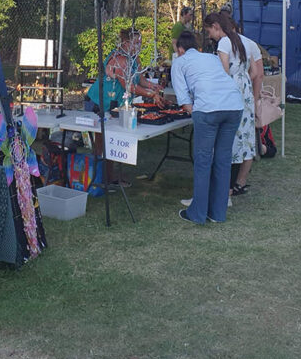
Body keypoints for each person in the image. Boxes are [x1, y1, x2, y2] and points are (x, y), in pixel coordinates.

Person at [171, 31, 243, 224]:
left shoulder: (179, 62)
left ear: (180, 49)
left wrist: (193, 110)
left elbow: (184, 99)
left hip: (209, 110)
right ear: (196, 46)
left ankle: (198, 214)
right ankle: (218, 213)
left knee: (203, 161)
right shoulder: (211, 58)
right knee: (222, 160)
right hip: (235, 106)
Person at [85, 28, 163, 186]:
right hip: (99, 103)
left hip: (114, 104)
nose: (139, 46)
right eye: (136, 43)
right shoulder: (120, 59)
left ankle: (110, 178)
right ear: (126, 43)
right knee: (102, 143)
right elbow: (129, 87)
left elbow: (140, 81)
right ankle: (100, 180)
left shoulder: (135, 58)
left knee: (113, 139)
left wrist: (154, 87)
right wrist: (150, 95)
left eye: (140, 43)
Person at [203, 12, 263, 195]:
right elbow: (255, 72)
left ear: (215, 26)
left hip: (231, 92)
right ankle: (240, 182)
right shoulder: (244, 41)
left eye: (208, 30)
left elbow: (223, 72)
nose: (208, 35)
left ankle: (224, 185)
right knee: (246, 137)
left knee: (227, 138)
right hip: (244, 90)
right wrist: (244, 82)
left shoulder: (223, 43)